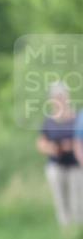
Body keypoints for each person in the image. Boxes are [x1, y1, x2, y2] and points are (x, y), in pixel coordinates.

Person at [36, 82, 82, 231]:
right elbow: (41, 143)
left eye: (62, 97)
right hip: (56, 165)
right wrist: (53, 148)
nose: (59, 100)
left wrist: (72, 146)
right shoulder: (49, 121)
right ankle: (66, 232)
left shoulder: (77, 118)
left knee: (77, 201)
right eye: (56, 97)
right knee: (61, 202)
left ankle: (78, 232)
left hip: (76, 165)